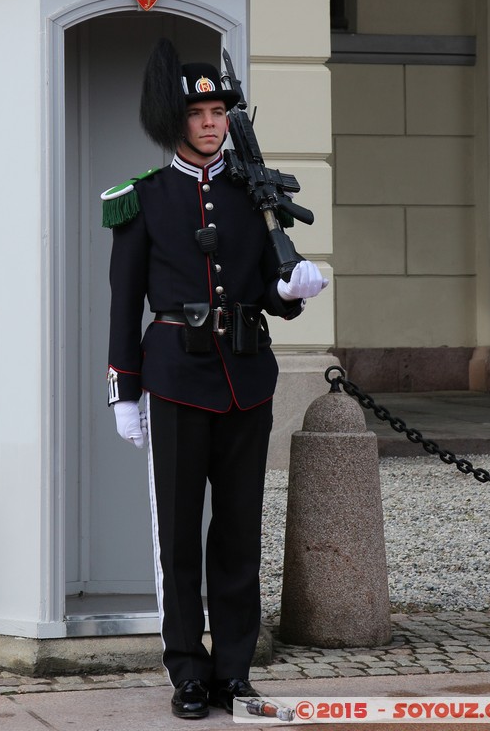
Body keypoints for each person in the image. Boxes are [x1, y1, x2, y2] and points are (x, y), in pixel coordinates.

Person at [102, 39, 327, 720]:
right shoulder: (142, 198)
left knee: (236, 532)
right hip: (173, 378)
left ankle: (233, 670)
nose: (210, 122)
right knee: (177, 535)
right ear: (177, 119)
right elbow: (124, 301)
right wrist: (124, 390)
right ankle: (186, 670)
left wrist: (294, 288)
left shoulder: (251, 195)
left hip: (244, 379)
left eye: (219, 110)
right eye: (198, 111)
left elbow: (266, 290)